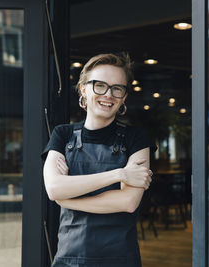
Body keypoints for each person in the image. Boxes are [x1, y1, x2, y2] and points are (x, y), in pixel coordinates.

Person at [42, 53, 157, 267]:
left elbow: (128, 202)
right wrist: (120, 174)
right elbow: (55, 188)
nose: (108, 94)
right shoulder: (62, 135)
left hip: (119, 259)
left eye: (117, 88)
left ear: (124, 97)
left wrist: (68, 200)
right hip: (69, 258)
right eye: (99, 85)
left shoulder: (137, 138)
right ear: (83, 89)